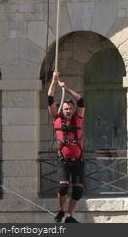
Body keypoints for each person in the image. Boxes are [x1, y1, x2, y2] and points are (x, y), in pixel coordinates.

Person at [47, 70, 85, 223]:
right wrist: (54, 82)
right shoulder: (56, 118)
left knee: (78, 191)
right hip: (64, 160)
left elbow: (81, 100)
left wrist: (66, 88)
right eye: (66, 109)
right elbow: (49, 99)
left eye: (70, 108)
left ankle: (70, 216)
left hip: (78, 160)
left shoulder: (78, 118)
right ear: (62, 110)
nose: (68, 111)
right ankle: (61, 211)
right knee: (63, 187)